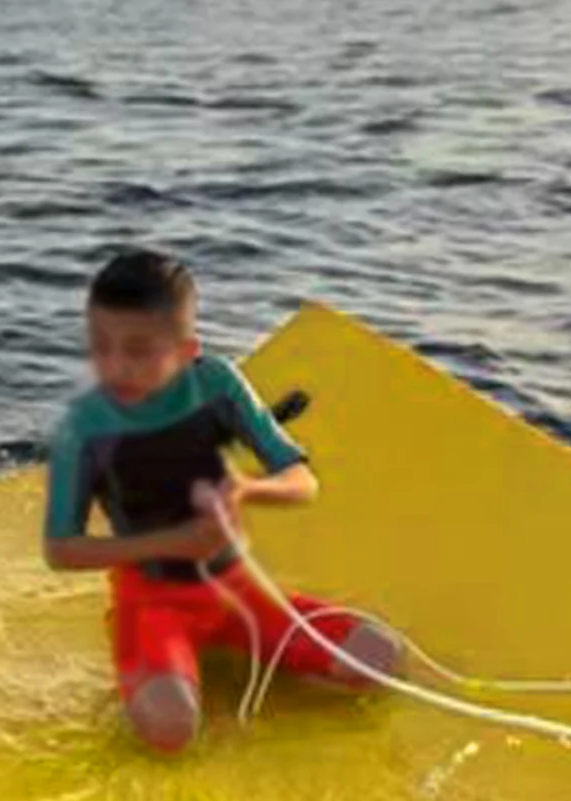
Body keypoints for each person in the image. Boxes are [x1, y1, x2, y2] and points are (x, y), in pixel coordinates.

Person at [42, 249, 399, 755]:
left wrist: (250, 489)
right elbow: (61, 549)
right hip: (151, 601)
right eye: (102, 347)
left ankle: (217, 653)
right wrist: (171, 541)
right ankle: (144, 653)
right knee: (171, 732)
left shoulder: (219, 383)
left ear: (187, 352)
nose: (116, 368)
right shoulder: (83, 429)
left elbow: (303, 480)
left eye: (139, 351)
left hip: (237, 588)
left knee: (378, 656)